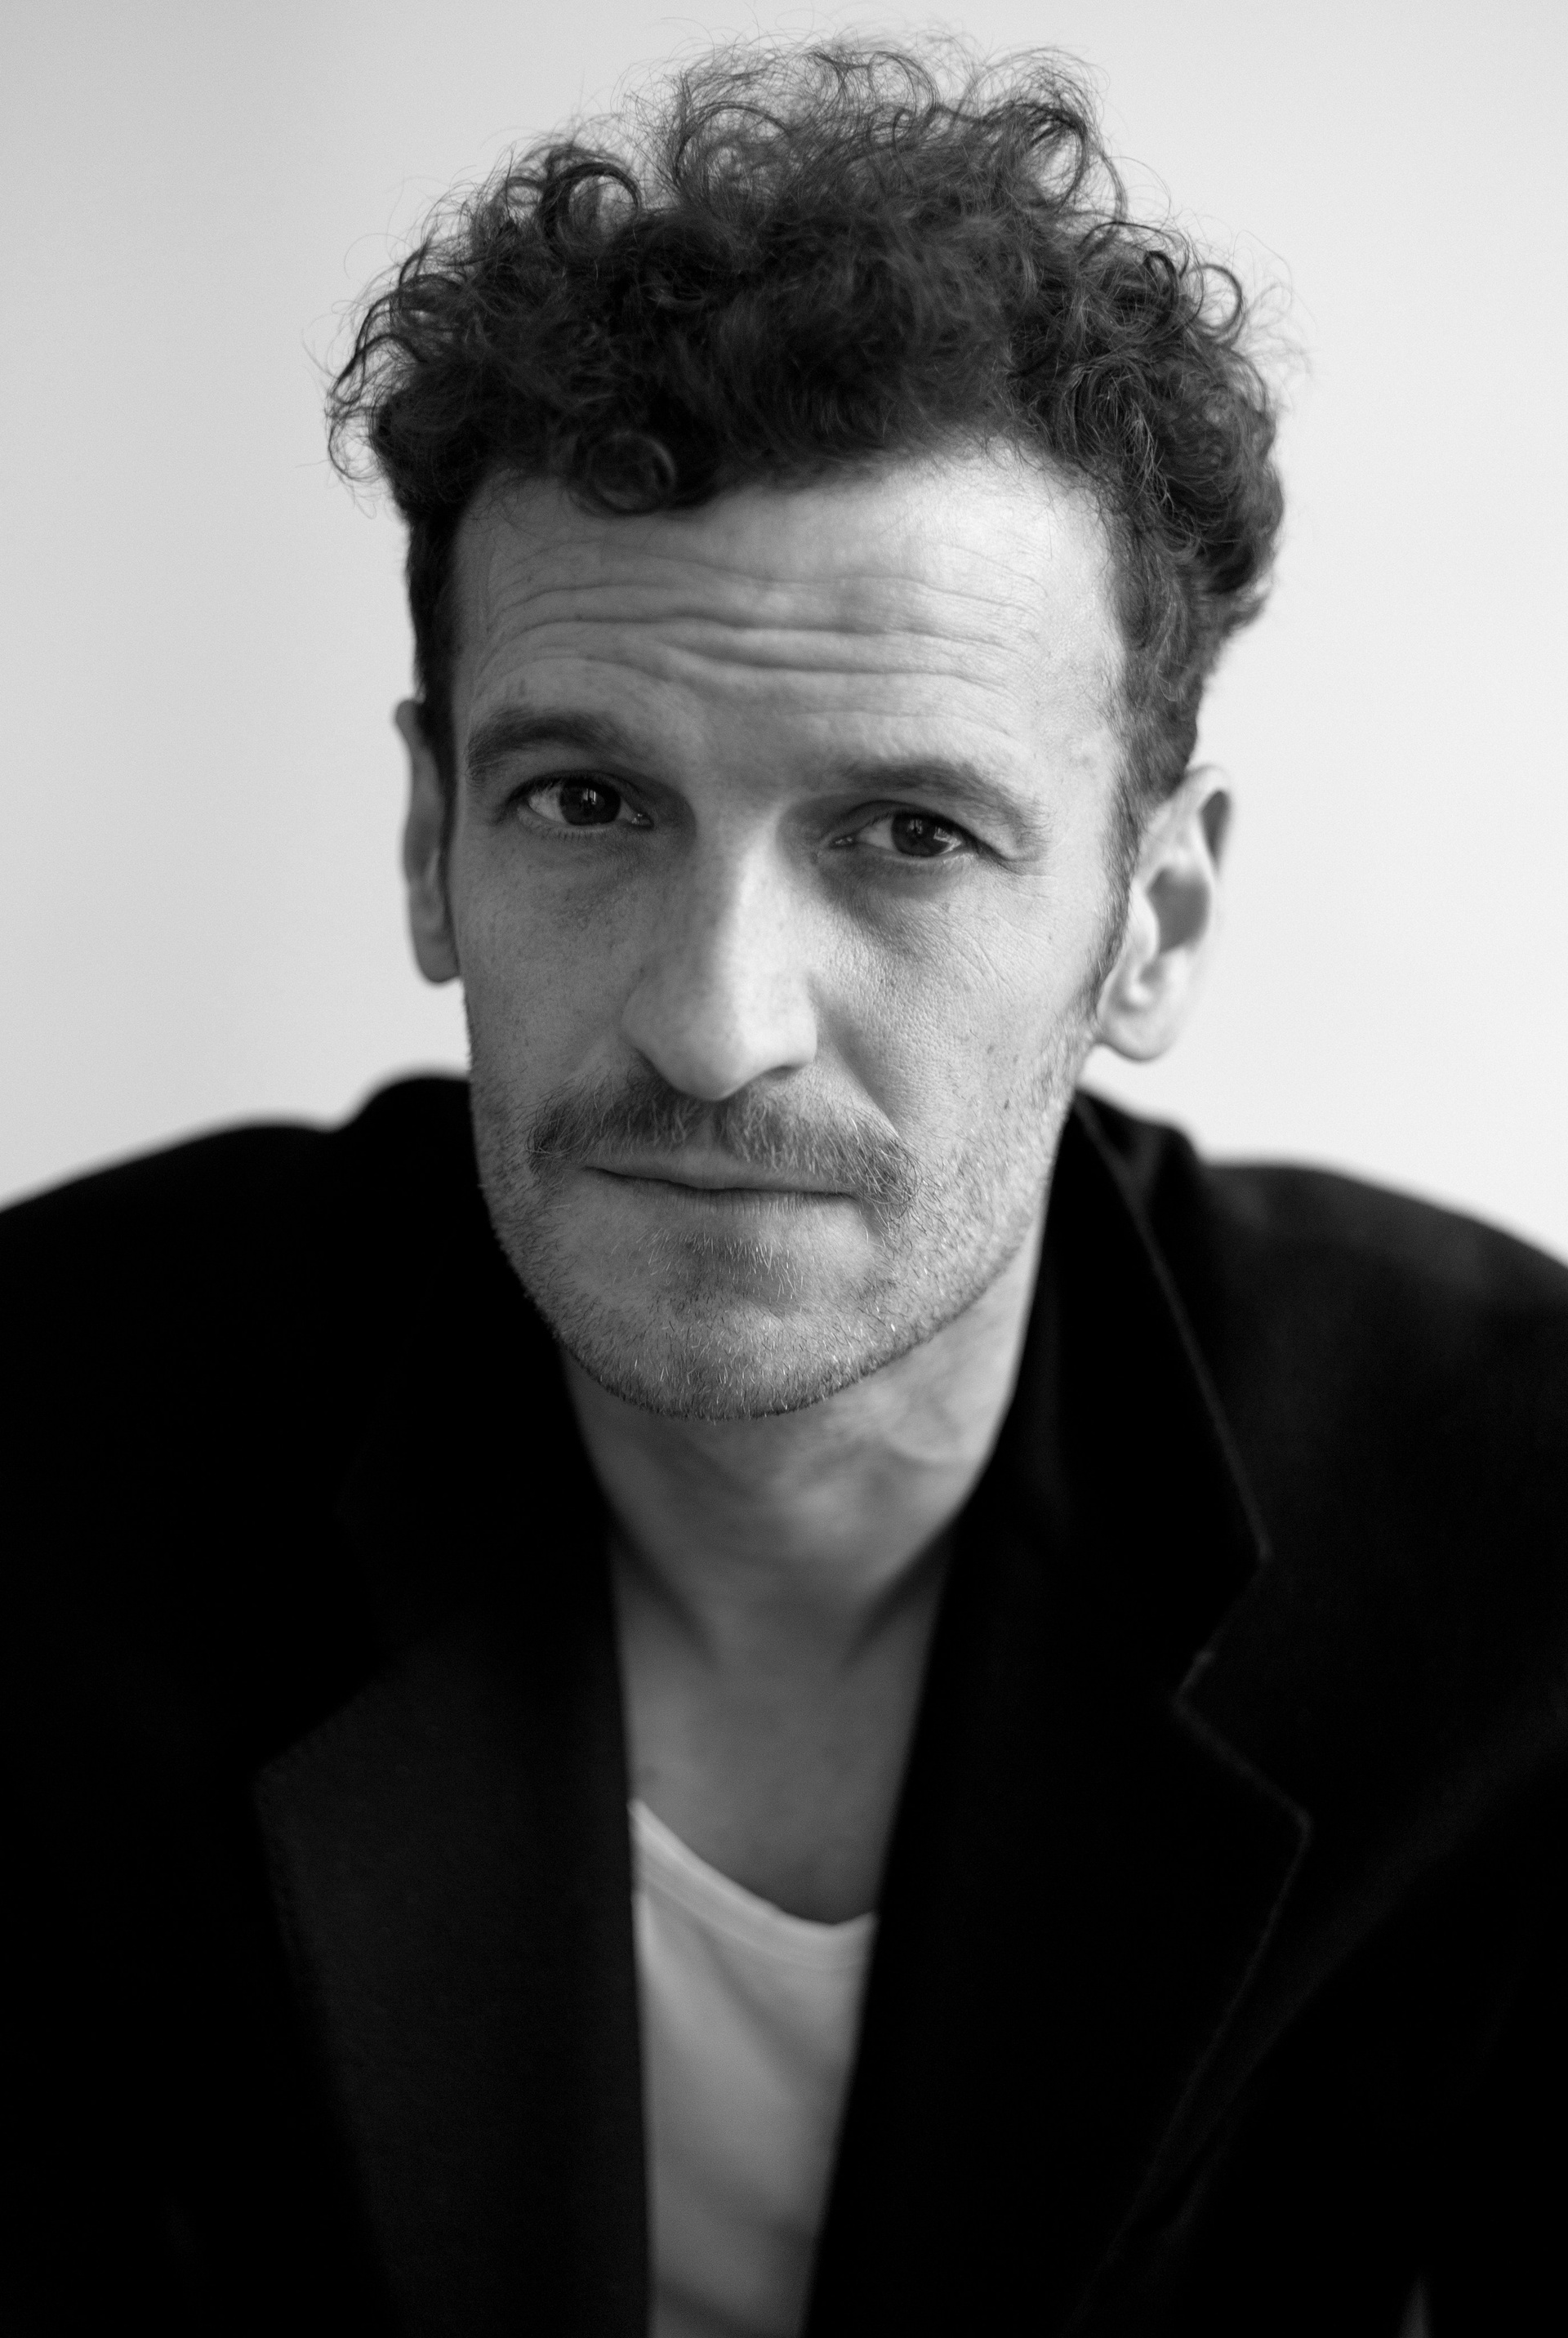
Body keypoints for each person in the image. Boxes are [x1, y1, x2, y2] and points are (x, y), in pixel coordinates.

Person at [4, 38, 1564, 2338]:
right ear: (432, 839)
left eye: (909, 834)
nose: (714, 1023)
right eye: (588, 804)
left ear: (1155, 920)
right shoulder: (49, 1447)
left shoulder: (1513, 1537)